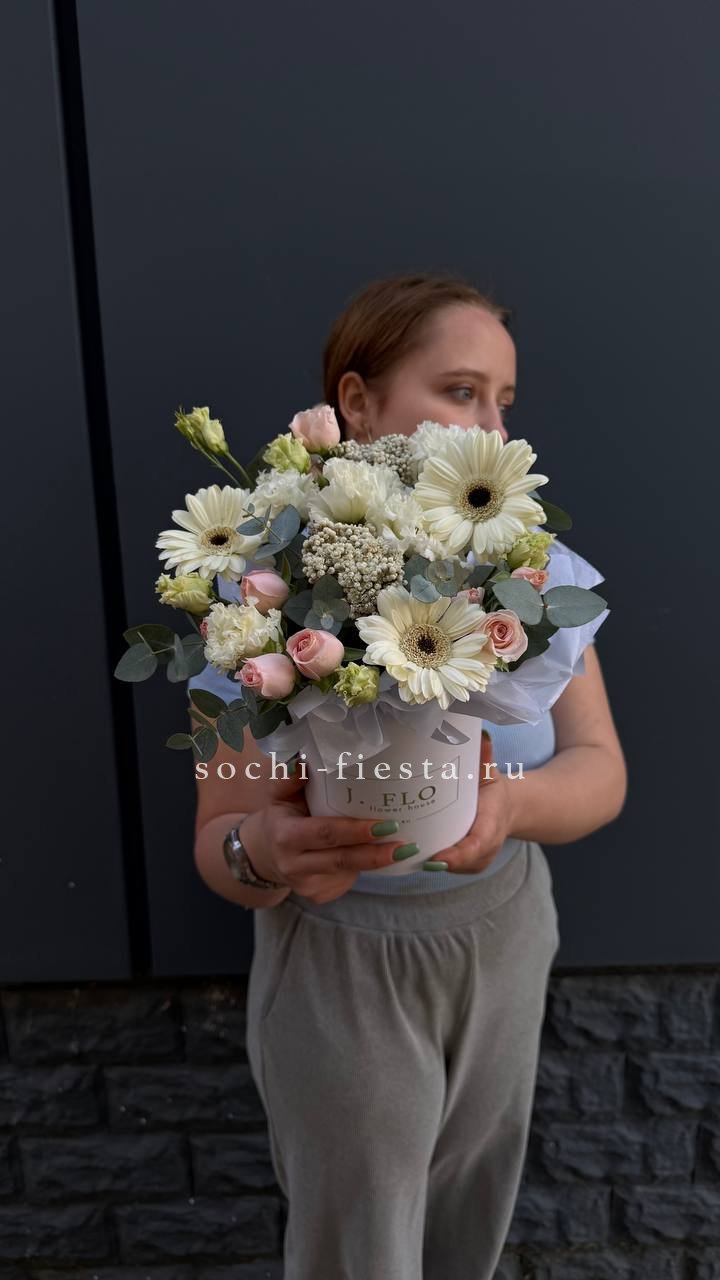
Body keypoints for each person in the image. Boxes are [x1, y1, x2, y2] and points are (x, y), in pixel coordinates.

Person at [189, 271, 628, 1280]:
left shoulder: (535, 573)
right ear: (357, 401)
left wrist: (509, 805)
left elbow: (601, 770)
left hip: (504, 930)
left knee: (469, 1230)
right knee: (360, 1251)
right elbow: (218, 835)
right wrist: (268, 851)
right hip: (341, 951)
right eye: (461, 391)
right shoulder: (258, 587)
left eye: (503, 401)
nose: (492, 427)